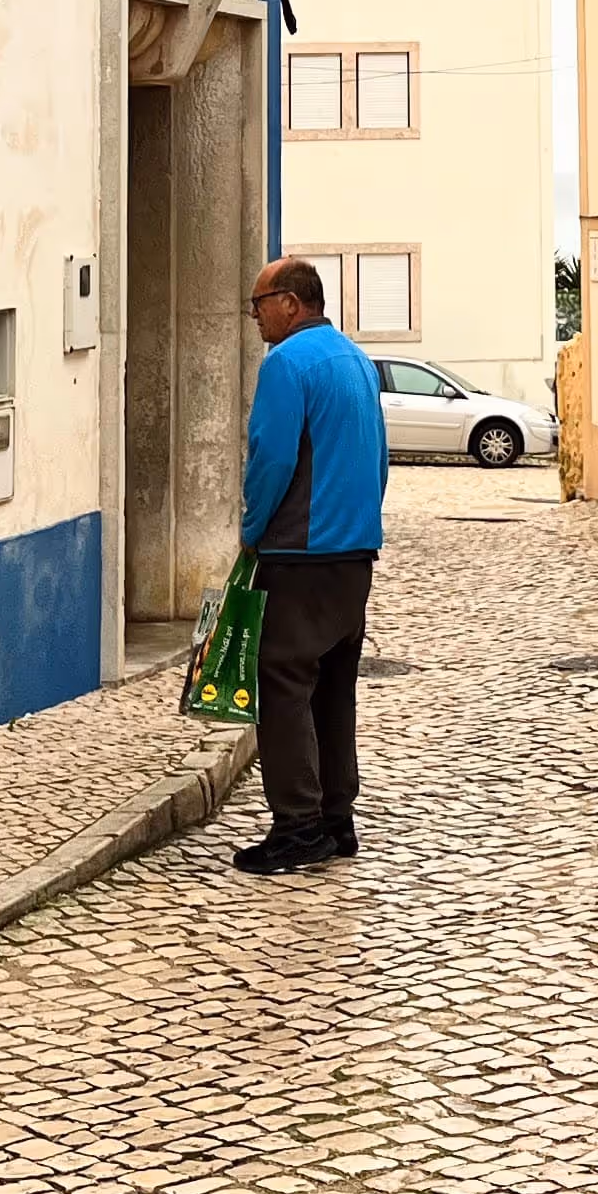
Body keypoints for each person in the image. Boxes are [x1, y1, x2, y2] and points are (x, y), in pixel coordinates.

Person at [233, 257, 389, 876]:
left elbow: (270, 457)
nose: (255, 316)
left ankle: (298, 827)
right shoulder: (355, 360)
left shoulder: (287, 364)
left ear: (292, 303)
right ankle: (336, 818)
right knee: (333, 686)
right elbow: (379, 457)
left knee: (282, 685)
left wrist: (251, 532)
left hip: (300, 552)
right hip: (354, 554)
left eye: (259, 303)